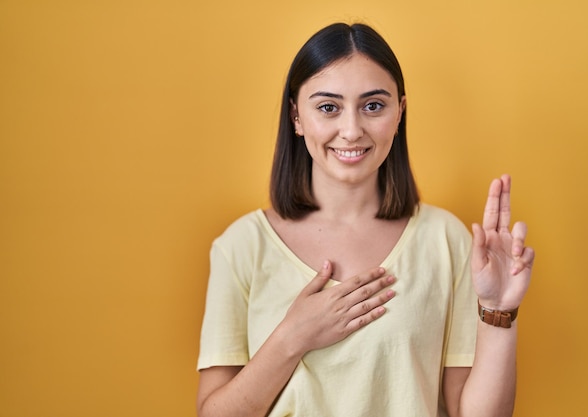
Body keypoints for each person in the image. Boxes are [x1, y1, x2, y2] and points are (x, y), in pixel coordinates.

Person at [196, 22, 535, 417]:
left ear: (399, 113)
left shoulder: (446, 240)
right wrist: (293, 337)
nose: (352, 130)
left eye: (373, 106)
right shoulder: (240, 246)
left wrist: (498, 311)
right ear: (296, 116)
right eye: (328, 107)